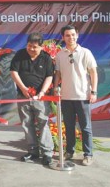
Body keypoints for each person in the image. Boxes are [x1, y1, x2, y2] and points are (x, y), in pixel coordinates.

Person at [54, 25, 98, 166]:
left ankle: (88, 154)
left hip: (83, 96)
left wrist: (94, 91)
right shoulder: (60, 55)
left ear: (77, 35)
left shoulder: (86, 52)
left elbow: (93, 73)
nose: (71, 37)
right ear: (63, 37)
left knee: (86, 127)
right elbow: (58, 74)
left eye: (73, 35)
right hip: (66, 97)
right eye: (67, 35)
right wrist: (55, 87)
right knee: (69, 126)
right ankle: (70, 151)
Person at [10, 32, 54, 166]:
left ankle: (47, 153)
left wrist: (42, 92)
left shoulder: (46, 58)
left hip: (40, 97)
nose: (31, 49)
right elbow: (13, 72)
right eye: (29, 46)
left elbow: (49, 76)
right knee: (27, 124)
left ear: (41, 47)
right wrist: (23, 89)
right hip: (23, 96)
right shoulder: (20, 55)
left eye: (35, 47)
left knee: (43, 123)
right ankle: (33, 151)